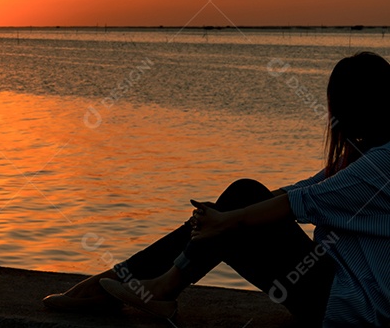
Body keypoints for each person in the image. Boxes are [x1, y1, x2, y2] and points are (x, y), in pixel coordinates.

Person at [43, 51, 390, 326]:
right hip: (335, 293)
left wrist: (229, 217)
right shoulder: (364, 156)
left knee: (239, 204)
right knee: (241, 199)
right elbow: (299, 190)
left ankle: (143, 285)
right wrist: (225, 212)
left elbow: (303, 201)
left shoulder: (382, 163)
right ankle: (125, 280)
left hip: (353, 306)